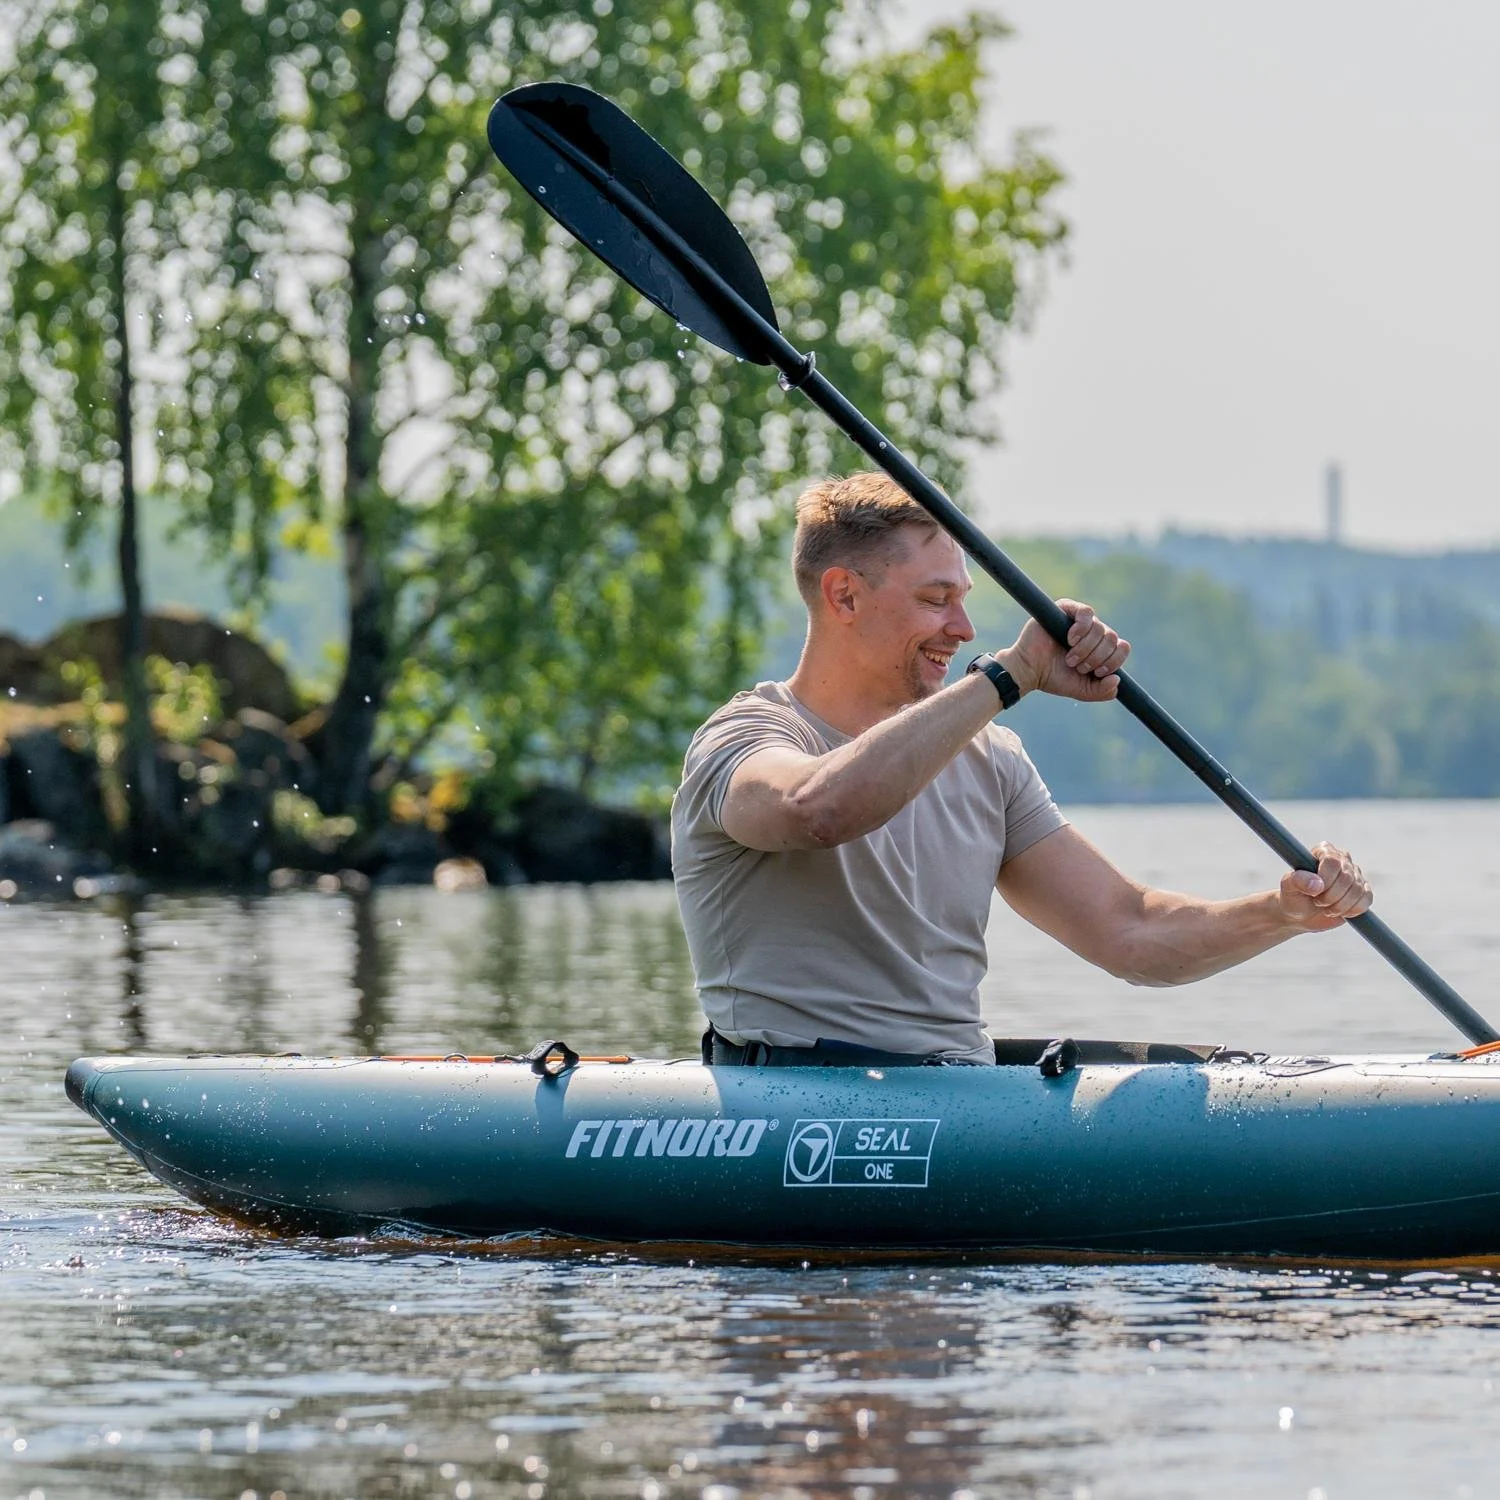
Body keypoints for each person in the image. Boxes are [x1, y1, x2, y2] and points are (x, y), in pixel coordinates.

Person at [671, 472, 1372, 1067]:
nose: (964, 629)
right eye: (936, 599)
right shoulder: (743, 741)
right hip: (792, 1103)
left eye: (964, 599)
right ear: (845, 596)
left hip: (957, 1096)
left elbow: (1129, 931)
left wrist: (1282, 911)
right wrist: (1012, 675)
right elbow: (814, 811)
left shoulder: (989, 759)